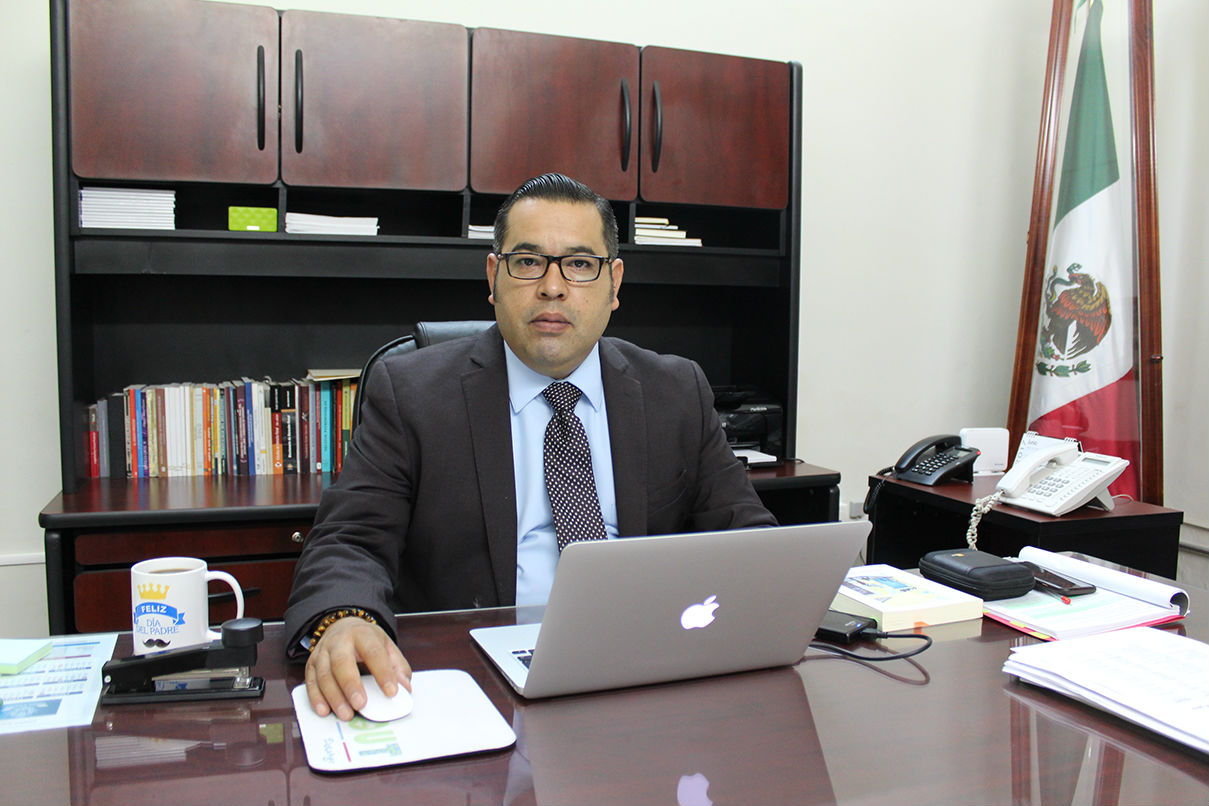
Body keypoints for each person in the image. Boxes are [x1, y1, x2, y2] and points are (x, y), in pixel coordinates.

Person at [285, 173, 776, 720]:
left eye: (580, 264)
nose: (553, 287)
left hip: (642, 673)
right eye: (527, 261)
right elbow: (349, 540)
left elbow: (746, 534)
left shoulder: (675, 390)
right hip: (473, 678)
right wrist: (347, 617)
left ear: (614, 283)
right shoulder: (412, 394)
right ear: (493, 277)